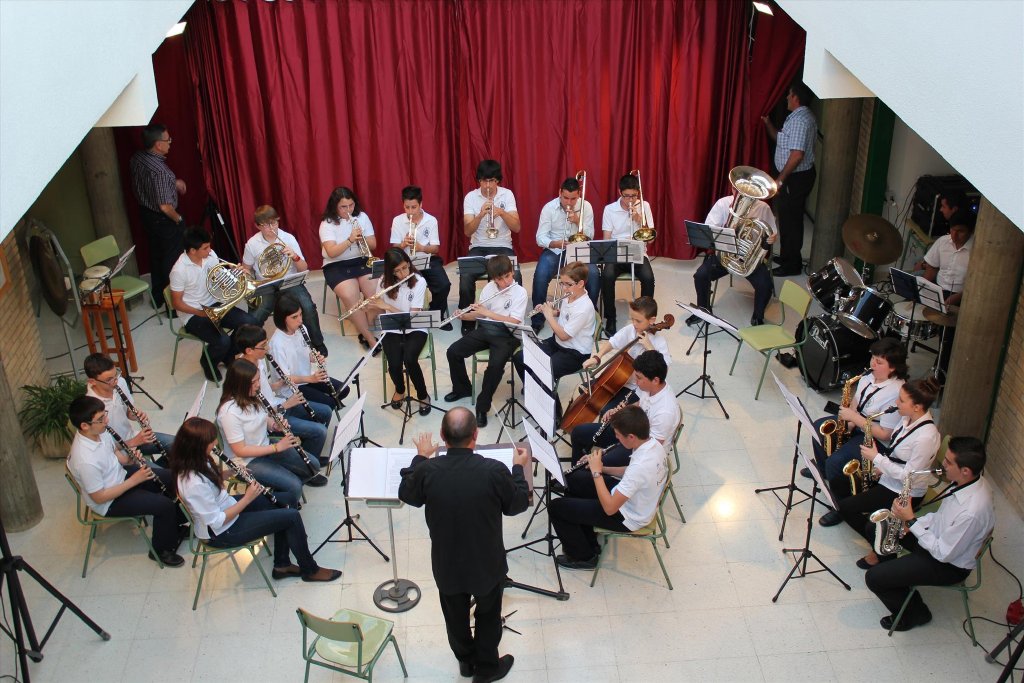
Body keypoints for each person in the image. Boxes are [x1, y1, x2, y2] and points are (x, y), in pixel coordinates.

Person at [398, 408, 530, 683]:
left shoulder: (428, 470)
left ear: (442, 436)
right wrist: (518, 468)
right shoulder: (494, 470)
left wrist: (421, 457)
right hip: (486, 563)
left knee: (454, 618)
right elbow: (517, 504)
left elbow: (407, 494)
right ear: (475, 435)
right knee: (488, 615)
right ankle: (487, 669)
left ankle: (466, 662)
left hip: (447, 563)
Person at [170, 417, 341, 583]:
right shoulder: (193, 483)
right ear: (196, 446)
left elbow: (210, 484)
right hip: (222, 532)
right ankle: (310, 570)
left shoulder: (196, 460)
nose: (215, 443)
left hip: (227, 507)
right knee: (291, 517)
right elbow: (216, 521)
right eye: (210, 441)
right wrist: (247, 498)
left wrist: (228, 473)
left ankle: (282, 564)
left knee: (289, 498)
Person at [864, 436, 994, 632]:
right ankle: (896, 579)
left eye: (948, 462)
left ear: (965, 471)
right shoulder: (967, 482)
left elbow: (943, 553)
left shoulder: (971, 512)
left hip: (947, 565)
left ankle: (916, 613)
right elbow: (939, 517)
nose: (943, 464)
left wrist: (912, 521)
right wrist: (912, 525)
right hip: (935, 540)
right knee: (874, 528)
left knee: (873, 578)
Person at [828, 378, 942, 571]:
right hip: (887, 476)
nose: (896, 403)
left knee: (846, 508)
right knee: (839, 482)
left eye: (902, 400)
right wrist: (880, 466)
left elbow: (909, 477)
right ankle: (877, 533)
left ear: (917, 407)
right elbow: (897, 453)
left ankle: (881, 546)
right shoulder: (906, 418)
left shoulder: (926, 437)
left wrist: (877, 459)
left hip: (905, 492)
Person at [66, 395, 185, 567]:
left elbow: (114, 451)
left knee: (173, 478)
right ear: (84, 425)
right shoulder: (85, 460)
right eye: (101, 419)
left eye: (105, 415)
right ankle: (161, 551)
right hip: (110, 500)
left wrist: (129, 460)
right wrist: (135, 480)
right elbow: (99, 497)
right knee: (163, 505)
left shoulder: (99, 432)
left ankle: (174, 525)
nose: (106, 420)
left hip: (121, 476)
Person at [548, 405, 668, 570]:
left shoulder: (641, 466)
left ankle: (584, 557)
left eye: (618, 435)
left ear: (631, 436)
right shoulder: (652, 444)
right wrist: (602, 467)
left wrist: (596, 473)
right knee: (574, 480)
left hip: (626, 516)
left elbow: (610, 508)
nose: (616, 438)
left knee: (556, 507)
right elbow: (628, 471)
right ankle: (587, 537)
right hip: (628, 497)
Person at [566, 350, 680, 499]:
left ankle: (584, 485)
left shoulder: (665, 411)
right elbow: (640, 404)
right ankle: (577, 480)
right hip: (631, 432)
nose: (636, 382)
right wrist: (619, 412)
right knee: (578, 433)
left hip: (640, 448)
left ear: (655, 380)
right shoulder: (651, 388)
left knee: (591, 465)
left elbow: (652, 447)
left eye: (639, 378)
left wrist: (611, 448)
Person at [805, 338, 908, 498]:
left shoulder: (897, 392)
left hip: (875, 440)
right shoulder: (868, 376)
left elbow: (885, 434)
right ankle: (824, 471)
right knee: (818, 428)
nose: (873, 364)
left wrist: (854, 418)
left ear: (893, 367)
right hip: (858, 423)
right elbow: (856, 402)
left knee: (836, 462)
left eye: (879, 362)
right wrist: (850, 422)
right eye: (872, 358)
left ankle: (840, 501)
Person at [217, 359, 328, 500]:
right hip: (246, 462)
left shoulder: (251, 396)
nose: (258, 385)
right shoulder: (229, 413)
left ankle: (284, 486)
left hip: (265, 447)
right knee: (294, 486)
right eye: (253, 382)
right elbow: (240, 450)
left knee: (314, 465)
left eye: (258, 380)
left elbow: (263, 417)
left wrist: (275, 425)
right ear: (239, 384)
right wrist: (276, 447)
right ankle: (283, 503)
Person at [444, 255, 528, 428]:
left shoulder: (520, 292)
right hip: (487, 329)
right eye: (499, 279)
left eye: (507, 276)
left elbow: (514, 321)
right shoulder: (489, 288)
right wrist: (464, 316)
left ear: (512, 272)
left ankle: (482, 407)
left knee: (495, 367)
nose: (505, 282)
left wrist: (487, 313)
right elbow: (480, 314)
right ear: (493, 279)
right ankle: (462, 389)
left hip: (509, 334)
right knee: (453, 351)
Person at [232, 324, 331, 466]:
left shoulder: (259, 359)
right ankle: (308, 465)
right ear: (249, 350)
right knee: (319, 431)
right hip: (272, 419)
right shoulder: (242, 376)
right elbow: (258, 414)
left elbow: (264, 389)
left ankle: (310, 454)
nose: (268, 348)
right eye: (263, 345)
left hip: (278, 404)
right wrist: (286, 404)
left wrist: (277, 385)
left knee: (326, 411)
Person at [169, 227, 258, 382]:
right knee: (222, 340)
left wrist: (234, 274)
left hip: (215, 303)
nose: (210, 250)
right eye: (205, 248)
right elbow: (177, 303)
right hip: (193, 314)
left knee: (249, 323)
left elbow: (219, 279)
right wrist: (201, 313)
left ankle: (228, 354)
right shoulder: (179, 270)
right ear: (192, 251)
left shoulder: (210, 256)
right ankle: (208, 361)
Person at [241, 204, 327, 357]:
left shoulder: (288, 239)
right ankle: (251, 348)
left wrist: (295, 257)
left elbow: (304, 268)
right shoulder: (252, 244)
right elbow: (246, 269)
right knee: (256, 315)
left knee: (308, 307)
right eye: (266, 225)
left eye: (274, 222)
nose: (271, 228)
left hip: (289, 281)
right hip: (266, 284)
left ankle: (317, 342)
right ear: (258, 226)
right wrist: (245, 275)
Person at [687, 190, 777, 327]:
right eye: (738, 189)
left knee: (766, 285)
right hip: (725, 255)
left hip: (749, 259)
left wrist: (772, 238)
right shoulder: (723, 203)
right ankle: (704, 310)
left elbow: (772, 232)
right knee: (701, 275)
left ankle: (758, 317)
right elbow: (709, 228)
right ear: (733, 188)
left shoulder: (763, 208)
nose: (743, 193)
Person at [459, 159, 522, 335]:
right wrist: (480, 215)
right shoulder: (470, 197)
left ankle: (512, 316)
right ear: (479, 180)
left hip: (503, 245)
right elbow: (467, 231)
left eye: (492, 181)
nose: (488, 185)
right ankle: (467, 318)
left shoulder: (507, 195)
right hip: (478, 246)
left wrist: (501, 212)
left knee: (516, 274)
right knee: (465, 276)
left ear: (497, 181)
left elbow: (517, 227)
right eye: (484, 181)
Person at [367, 248, 432, 415]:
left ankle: (423, 394)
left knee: (410, 360)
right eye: (397, 271)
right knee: (394, 364)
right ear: (390, 271)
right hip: (392, 327)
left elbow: (413, 315)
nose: (403, 274)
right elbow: (378, 310)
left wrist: (388, 306)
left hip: (415, 326)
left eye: (405, 267)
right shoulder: (383, 282)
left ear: (409, 263)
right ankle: (400, 389)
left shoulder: (419, 281)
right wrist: (369, 308)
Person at [762, 81, 817, 277]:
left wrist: (780, 180)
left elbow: (797, 155)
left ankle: (791, 264)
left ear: (796, 98)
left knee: (791, 221)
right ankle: (787, 257)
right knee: (786, 218)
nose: (786, 97)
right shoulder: (797, 117)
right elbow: (782, 140)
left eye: (789, 94)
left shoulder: (800, 121)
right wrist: (768, 123)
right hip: (793, 177)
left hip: (795, 179)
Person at [530, 177, 599, 332]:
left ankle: (591, 315)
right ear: (559, 193)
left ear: (578, 195)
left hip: (579, 250)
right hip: (555, 249)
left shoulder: (586, 206)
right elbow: (540, 237)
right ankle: (538, 318)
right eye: (565, 198)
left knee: (594, 273)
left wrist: (578, 221)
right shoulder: (549, 208)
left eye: (573, 199)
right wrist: (554, 243)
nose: (569, 202)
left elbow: (591, 235)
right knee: (541, 274)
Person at [512, 261, 596, 386]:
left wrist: (549, 316)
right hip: (557, 343)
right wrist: (553, 312)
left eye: (568, 284)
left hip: (575, 353)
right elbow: (566, 314)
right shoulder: (570, 294)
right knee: (520, 357)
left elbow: (564, 336)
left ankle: (545, 393)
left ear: (581, 284)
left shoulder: (584, 307)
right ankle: (533, 388)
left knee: (542, 370)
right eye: (562, 283)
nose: (564, 288)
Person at [129, 123, 186, 305]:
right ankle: (174, 303)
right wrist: (178, 219)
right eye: (168, 140)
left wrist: (173, 183)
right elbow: (165, 207)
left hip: (146, 214)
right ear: (158, 145)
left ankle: (158, 296)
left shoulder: (138, 158)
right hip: (163, 219)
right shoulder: (160, 171)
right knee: (172, 259)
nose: (170, 143)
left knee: (156, 256)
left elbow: (152, 185)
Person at [83, 353, 174, 466]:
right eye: (109, 380)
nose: (115, 381)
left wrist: (136, 415)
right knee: (162, 473)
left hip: (133, 436)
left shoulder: (120, 382)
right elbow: (104, 448)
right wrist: (133, 442)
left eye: (116, 375)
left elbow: (128, 412)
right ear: (92, 381)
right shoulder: (90, 406)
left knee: (181, 445)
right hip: (119, 455)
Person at [582, 296, 672, 410]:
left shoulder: (660, 342)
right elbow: (612, 342)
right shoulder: (630, 329)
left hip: (637, 388)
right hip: (619, 379)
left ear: (652, 320)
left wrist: (649, 347)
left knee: (605, 409)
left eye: (638, 321)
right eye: (632, 319)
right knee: (584, 390)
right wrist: (597, 357)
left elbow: (664, 371)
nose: (634, 324)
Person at [267, 293, 349, 413]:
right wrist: (310, 379)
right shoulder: (277, 344)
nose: (300, 320)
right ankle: (320, 411)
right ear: (283, 319)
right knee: (330, 403)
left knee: (344, 389)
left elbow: (306, 354)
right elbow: (285, 379)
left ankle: (323, 408)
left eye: (301, 314)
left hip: (308, 377)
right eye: (294, 317)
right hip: (291, 388)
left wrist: (315, 358)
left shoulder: (302, 329)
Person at [319, 186, 380, 348]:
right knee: (349, 295)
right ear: (335, 206)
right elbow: (331, 252)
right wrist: (350, 240)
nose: (348, 210)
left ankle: (364, 326)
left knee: (375, 293)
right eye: (343, 207)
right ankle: (370, 338)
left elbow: (373, 244)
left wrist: (362, 238)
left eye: (351, 205)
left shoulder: (362, 217)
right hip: (336, 265)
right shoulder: (327, 224)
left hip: (362, 260)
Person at [389, 185, 453, 330]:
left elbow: (435, 249)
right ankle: (408, 316)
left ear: (421, 204)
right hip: (406, 262)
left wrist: (421, 248)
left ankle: (436, 314)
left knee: (444, 285)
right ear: (403, 205)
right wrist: (403, 244)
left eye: (414, 207)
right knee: (407, 286)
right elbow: (394, 249)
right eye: (407, 207)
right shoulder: (397, 221)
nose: (410, 211)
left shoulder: (431, 220)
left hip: (428, 259)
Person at [599, 172, 656, 336]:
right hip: (616, 252)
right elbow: (606, 239)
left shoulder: (644, 206)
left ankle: (645, 318)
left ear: (638, 193)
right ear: (620, 193)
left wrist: (639, 219)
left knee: (648, 278)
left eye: (634, 196)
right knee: (607, 276)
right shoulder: (610, 209)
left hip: (638, 252)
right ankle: (611, 318)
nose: (630, 200)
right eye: (626, 196)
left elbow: (651, 238)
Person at [923, 210, 975, 381]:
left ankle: (941, 377)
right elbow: (932, 269)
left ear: (970, 231)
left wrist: (954, 298)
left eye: (960, 231)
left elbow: (974, 285)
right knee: (902, 312)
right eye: (952, 230)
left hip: (961, 296)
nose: (954, 235)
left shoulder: (977, 250)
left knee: (948, 338)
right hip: (939, 289)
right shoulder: (942, 242)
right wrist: (921, 290)